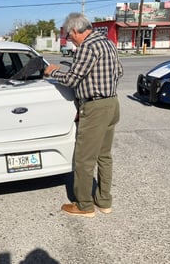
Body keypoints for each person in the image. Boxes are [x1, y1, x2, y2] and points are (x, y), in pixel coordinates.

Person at [44, 12, 123, 217]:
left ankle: (84, 205)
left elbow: (71, 79)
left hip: (95, 108)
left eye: (69, 36)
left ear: (75, 31)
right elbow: (119, 72)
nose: (71, 40)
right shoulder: (107, 43)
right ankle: (104, 201)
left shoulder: (87, 47)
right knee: (104, 156)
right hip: (112, 103)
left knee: (84, 159)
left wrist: (52, 71)